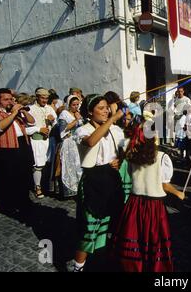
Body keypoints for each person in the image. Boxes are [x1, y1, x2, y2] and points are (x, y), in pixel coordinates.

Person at [112, 117, 184, 272]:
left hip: (134, 203)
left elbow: (132, 176)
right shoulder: (162, 157)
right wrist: (178, 193)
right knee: (154, 238)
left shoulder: (132, 156)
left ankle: (134, 266)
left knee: (135, 237)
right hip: (154, 206)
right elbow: (164, 185)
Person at [71, 94, 126, 272]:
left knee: (112, 221)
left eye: (106, 107)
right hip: (93, 181)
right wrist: (111, 120)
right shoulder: (83, 129)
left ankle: (106, 258)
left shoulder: (115, 131)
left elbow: (123, 151)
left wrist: (120, 160)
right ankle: (78, 266)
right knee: (89, 226)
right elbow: (91, 141)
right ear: (89, 112)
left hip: (111, 179)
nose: (106, 111)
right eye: (101, 108)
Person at [0, 88, 35, 222]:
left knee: (24, 176)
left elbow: (32, 121)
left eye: (11, 99)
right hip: (4, 150)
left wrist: (22, 110)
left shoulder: (16, 112)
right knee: (7, 179)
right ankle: (8, 206)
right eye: (6, 99)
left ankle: (24, 202)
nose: (10, 102)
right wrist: (13, 114)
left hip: (22, 146)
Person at [27, 88, 58, 199]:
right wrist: (39, 129)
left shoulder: (49, 108)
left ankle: (46, 185)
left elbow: (56, 124)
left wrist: (53, 120)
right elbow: (25, 129)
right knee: (38, 165)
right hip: (37, 140)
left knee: (48, 164)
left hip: (49, 140)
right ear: (37, 97)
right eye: (42, 98)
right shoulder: (30, 109)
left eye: (46, 98)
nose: (45, 100)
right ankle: (37, 187)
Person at [55, 95, 84, 198]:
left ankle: (79, 188)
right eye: (73, 105)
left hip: (77, 142)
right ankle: (69, 189)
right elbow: (63, 129)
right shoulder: (64, 114)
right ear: (68, 104)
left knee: (78, 165)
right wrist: (76, 120)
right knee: (70, 166)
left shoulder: (77, 113)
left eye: (77, 104)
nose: (76, 107)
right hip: (68, 143)